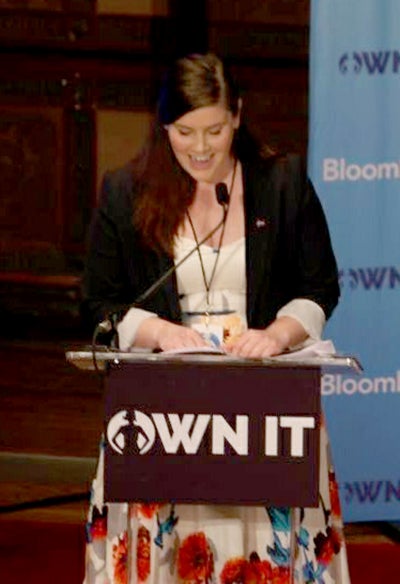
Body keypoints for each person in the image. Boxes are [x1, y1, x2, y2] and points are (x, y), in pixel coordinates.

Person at [82, 53, 349, 583]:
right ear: (164, 127)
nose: (201, 148)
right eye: (185, 132)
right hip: (162, 415)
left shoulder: (284, 183)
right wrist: (161, 333)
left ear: (238, 116)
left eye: (215, 130)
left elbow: (320, 287)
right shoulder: (125, 191)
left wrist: (277, 334)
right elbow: (98, 304)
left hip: (266, 414)